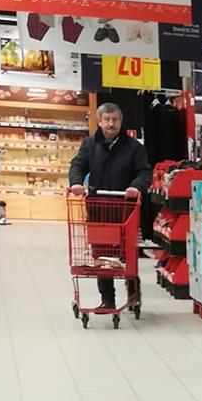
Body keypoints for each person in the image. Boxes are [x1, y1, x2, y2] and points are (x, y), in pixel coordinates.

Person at [68, 100, 151, 310]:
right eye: (107, 120)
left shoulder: (134, 147)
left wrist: (136, 187)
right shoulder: (90, 144)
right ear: (99, 121)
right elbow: (78, 164)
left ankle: (133, 294)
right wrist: (76, 182)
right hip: (98, 209)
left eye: (115, 120)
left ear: (121, 122)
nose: (111, 124)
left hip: (125, 210)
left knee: (127, 254)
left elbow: (144, 172)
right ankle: (108, 299)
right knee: (101, 255)